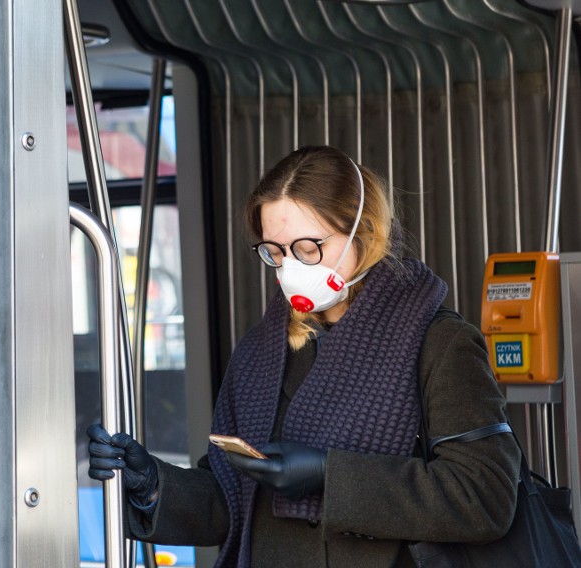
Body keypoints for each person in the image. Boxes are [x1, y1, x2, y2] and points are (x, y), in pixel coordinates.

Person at [88, 146, 522, 567]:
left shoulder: (439, 344)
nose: (290, 268)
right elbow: (234, 503)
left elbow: (483, 497)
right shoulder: (261, 352)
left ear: (363, 232)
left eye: (309, 248)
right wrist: (155, 486)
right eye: (275, 252)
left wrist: (329, 477)